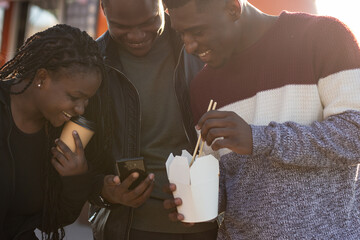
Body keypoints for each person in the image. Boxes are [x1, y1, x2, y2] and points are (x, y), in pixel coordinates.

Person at [162, 0, 360, 239]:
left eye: (198, 31)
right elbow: (231, 183)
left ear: (233, 8)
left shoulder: (324, 36)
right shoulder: (201, 87)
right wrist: (195, 197)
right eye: (181, 33)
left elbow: (353, 136)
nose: (189, 46)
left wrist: (260, 138)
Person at [88, 0, 218, 239]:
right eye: (121, 26)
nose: (137, 35)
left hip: (207, 224)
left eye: (149, 22)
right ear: (103, 8)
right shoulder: (92, 63)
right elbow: (79, 159)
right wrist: (102, 189)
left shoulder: (201, 45)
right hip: (128, 227)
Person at [0, 24, 112, 240]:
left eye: (86, 100)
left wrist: (76, 179)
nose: (80, 109)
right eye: (74, 97)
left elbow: (51, 220)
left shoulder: (60, 132)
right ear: (42, 78)